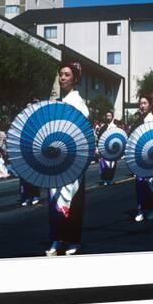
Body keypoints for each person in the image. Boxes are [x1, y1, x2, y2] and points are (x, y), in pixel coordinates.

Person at [46, 61, 90, 257]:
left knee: (73, 197)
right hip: (57, 158)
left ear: (75, 78)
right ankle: (57, 237)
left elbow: (81, 131)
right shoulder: (58, 102)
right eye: (61, 75)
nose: (63, 78)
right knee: (54, 197)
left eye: (67, 75)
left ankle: (73, 239)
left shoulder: (78, 103)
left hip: (73, 157)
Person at [129, 94, 153, 222]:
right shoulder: (137, 121)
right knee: (140, 183)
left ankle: (151, 209)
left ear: (149, 105)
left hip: (152, 156)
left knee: (152, 183)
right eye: (141, 103)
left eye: (145, 103)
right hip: (140, 157)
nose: (142, 106)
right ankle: (141, 210)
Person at [96, 110, 118, 186]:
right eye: (107, 116)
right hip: (104, 149)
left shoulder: (115, 127)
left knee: (112, 165)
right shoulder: (103, 127)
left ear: (112, 117)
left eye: (110, 116)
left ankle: (110, 179)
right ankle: (105, 179)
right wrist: (97, 149)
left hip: (113, 150)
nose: (108, 117)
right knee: (104, 165)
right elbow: (99, 138)